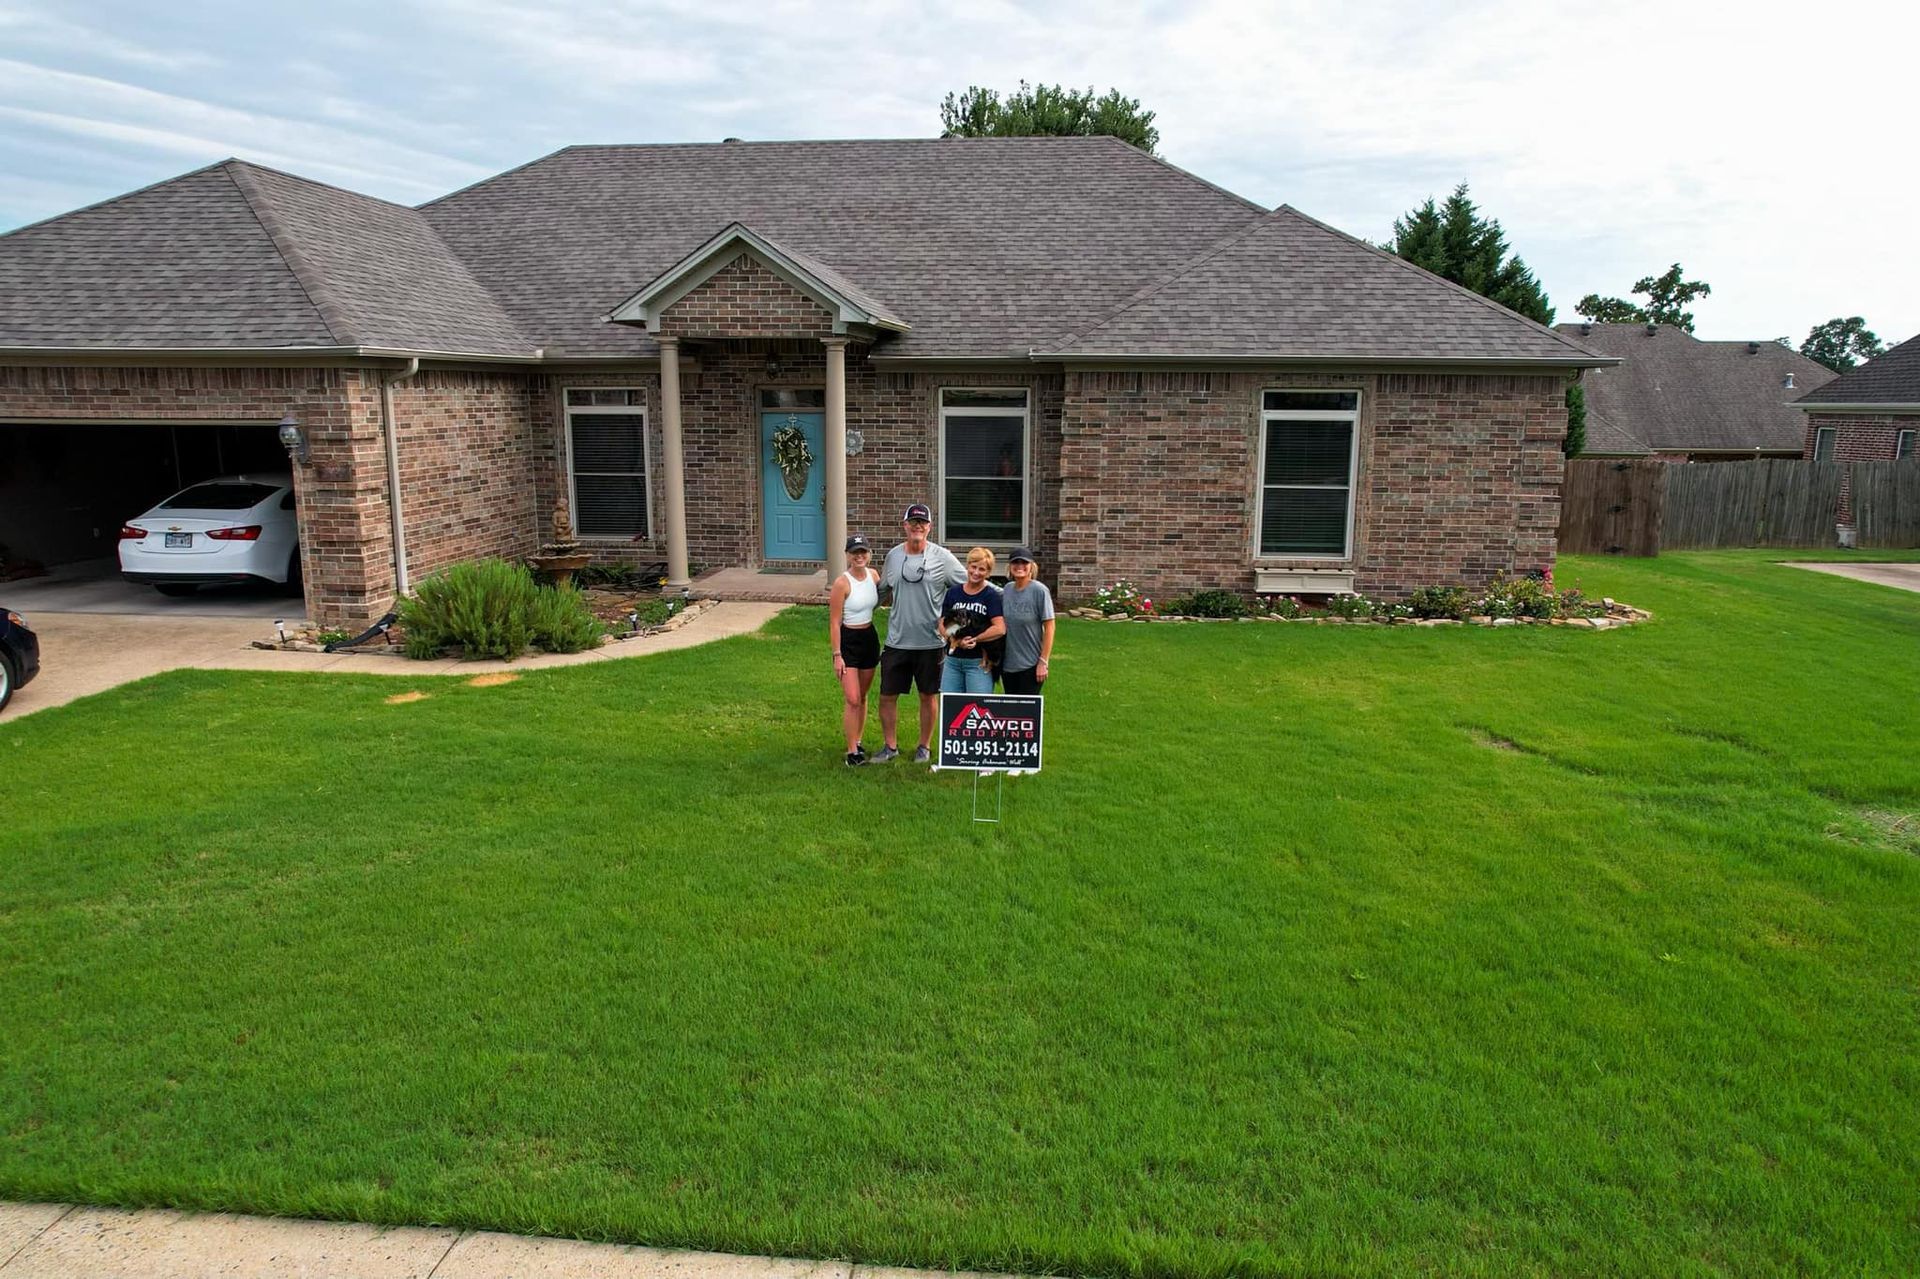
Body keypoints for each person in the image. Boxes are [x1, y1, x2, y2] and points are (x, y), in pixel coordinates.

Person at [873, 503, 963, 763]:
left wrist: (1006, 596)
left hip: (931, 643)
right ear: (905, 525)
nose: (917, 526)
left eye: (922, 523)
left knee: (928, 695)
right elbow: (880, 592)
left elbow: (968, 586)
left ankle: (924, 747)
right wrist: (853, 611)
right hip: (897, 641)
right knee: (887, 695)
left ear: (930, 527)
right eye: (913, 522)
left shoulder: (942, 557)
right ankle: (890, 747)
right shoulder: (893, 556)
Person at [828, 534, 880, 766]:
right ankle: (851, 753)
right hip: (849, 640)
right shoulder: (842, 583)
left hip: (869, 638)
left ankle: (857, 741)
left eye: (863, 552)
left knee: (863, 695)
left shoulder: (874, 576)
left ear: (869, 554)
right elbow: (834, 622)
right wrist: (837, 655)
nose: (859, 556)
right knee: (852, 698)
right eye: (854, 552)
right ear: (848, 555)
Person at [938, 548, 1005, 694]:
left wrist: (976, 639)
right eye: (973, 567)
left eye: (982, 569)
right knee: (950, 709)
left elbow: (1000, 628)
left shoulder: (991, 596)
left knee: (977, 708)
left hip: (978, 663)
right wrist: (954, 639)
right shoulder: (953, 592)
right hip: (952, 662)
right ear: (967, 566)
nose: (976, 572)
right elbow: (942, 623)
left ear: (988, 573)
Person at [998, 546, 1055, 695]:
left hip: (1030, 664)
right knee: (1010, 711)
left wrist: (1043, 661)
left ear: (1032, 566)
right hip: (1008, 664)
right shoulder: (1007, 590)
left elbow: (1050, 627)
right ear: (1010, 567)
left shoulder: (1039, 591)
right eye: (1015, 563)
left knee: (1028, 712)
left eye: (1024, 563)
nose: (1019, 567)